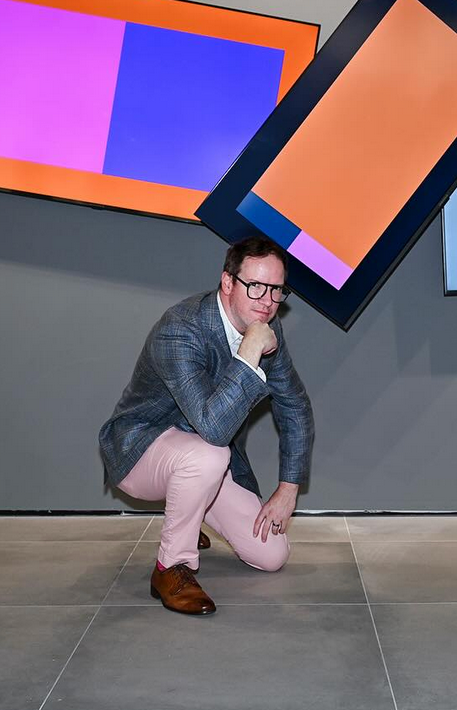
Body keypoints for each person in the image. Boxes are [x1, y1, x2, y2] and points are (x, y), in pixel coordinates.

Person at [99, 236, 314, 615]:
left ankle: (190, 509)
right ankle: (171, 568)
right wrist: (249, 352)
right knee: (208, 455)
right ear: (228, 282)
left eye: (277, 290)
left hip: (201, 458)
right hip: (141, 448)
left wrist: (288, 488)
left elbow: (294, 405)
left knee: (271, 555)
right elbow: (214, 429)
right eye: (255, 286)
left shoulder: (267, 327)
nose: (267, 301)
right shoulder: (180, 329)